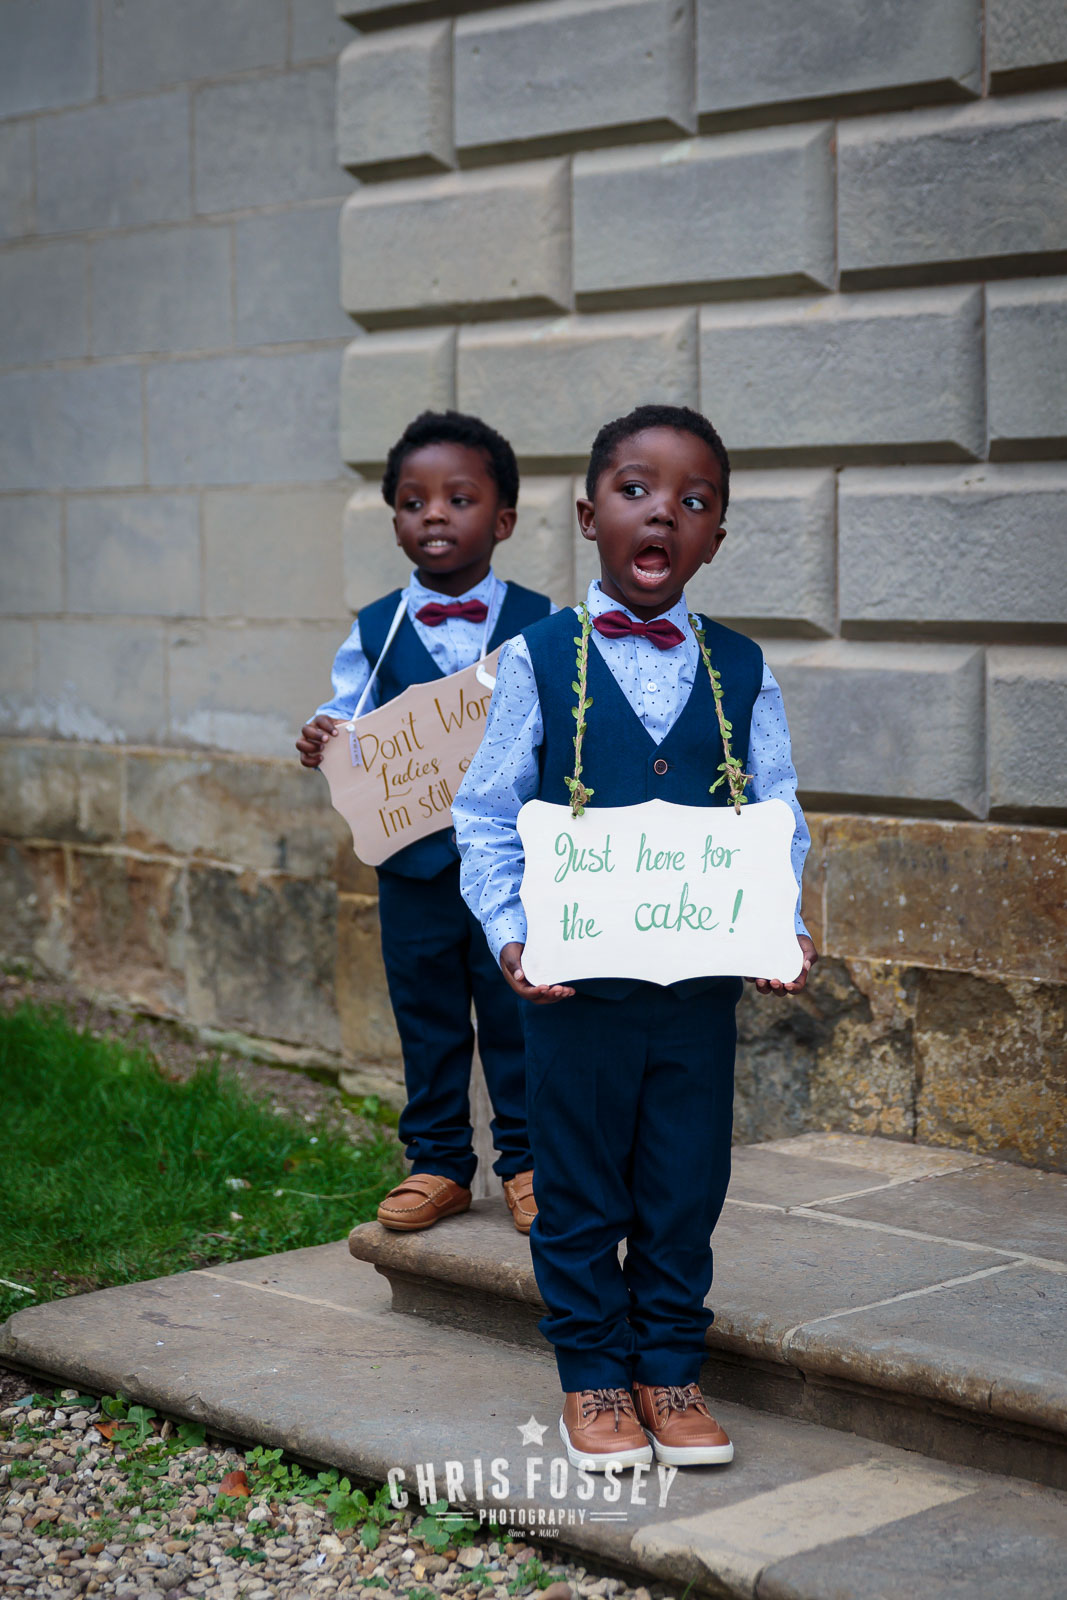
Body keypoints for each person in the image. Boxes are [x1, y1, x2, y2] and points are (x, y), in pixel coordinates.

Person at [453, 403, 818, 1469]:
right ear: (587, 515)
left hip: (696, 997)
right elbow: (484, 813)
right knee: (575, 1187)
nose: (663, 511)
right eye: (635, 490)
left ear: (714, 534)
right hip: (574, 1000)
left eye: (693, 501)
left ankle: (667, 1363)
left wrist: (779, 926)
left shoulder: (742, 669)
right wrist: (514, 934)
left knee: (681, 1184)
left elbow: (775, 814)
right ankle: (593, 1376)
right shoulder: (535, 658)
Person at [297, 410, 553, 1236]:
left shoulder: (544, 623)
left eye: (458, 498)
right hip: (410, 870)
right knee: (428, 1016)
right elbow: (347, 718)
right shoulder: (375, 631)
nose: (433, 514)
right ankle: (439, 1161)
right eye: (413, 502)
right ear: (396, 521)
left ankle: (527, 1162)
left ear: (501, 520)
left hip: (511, 870)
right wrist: (323, 736)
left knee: (518, 1012)